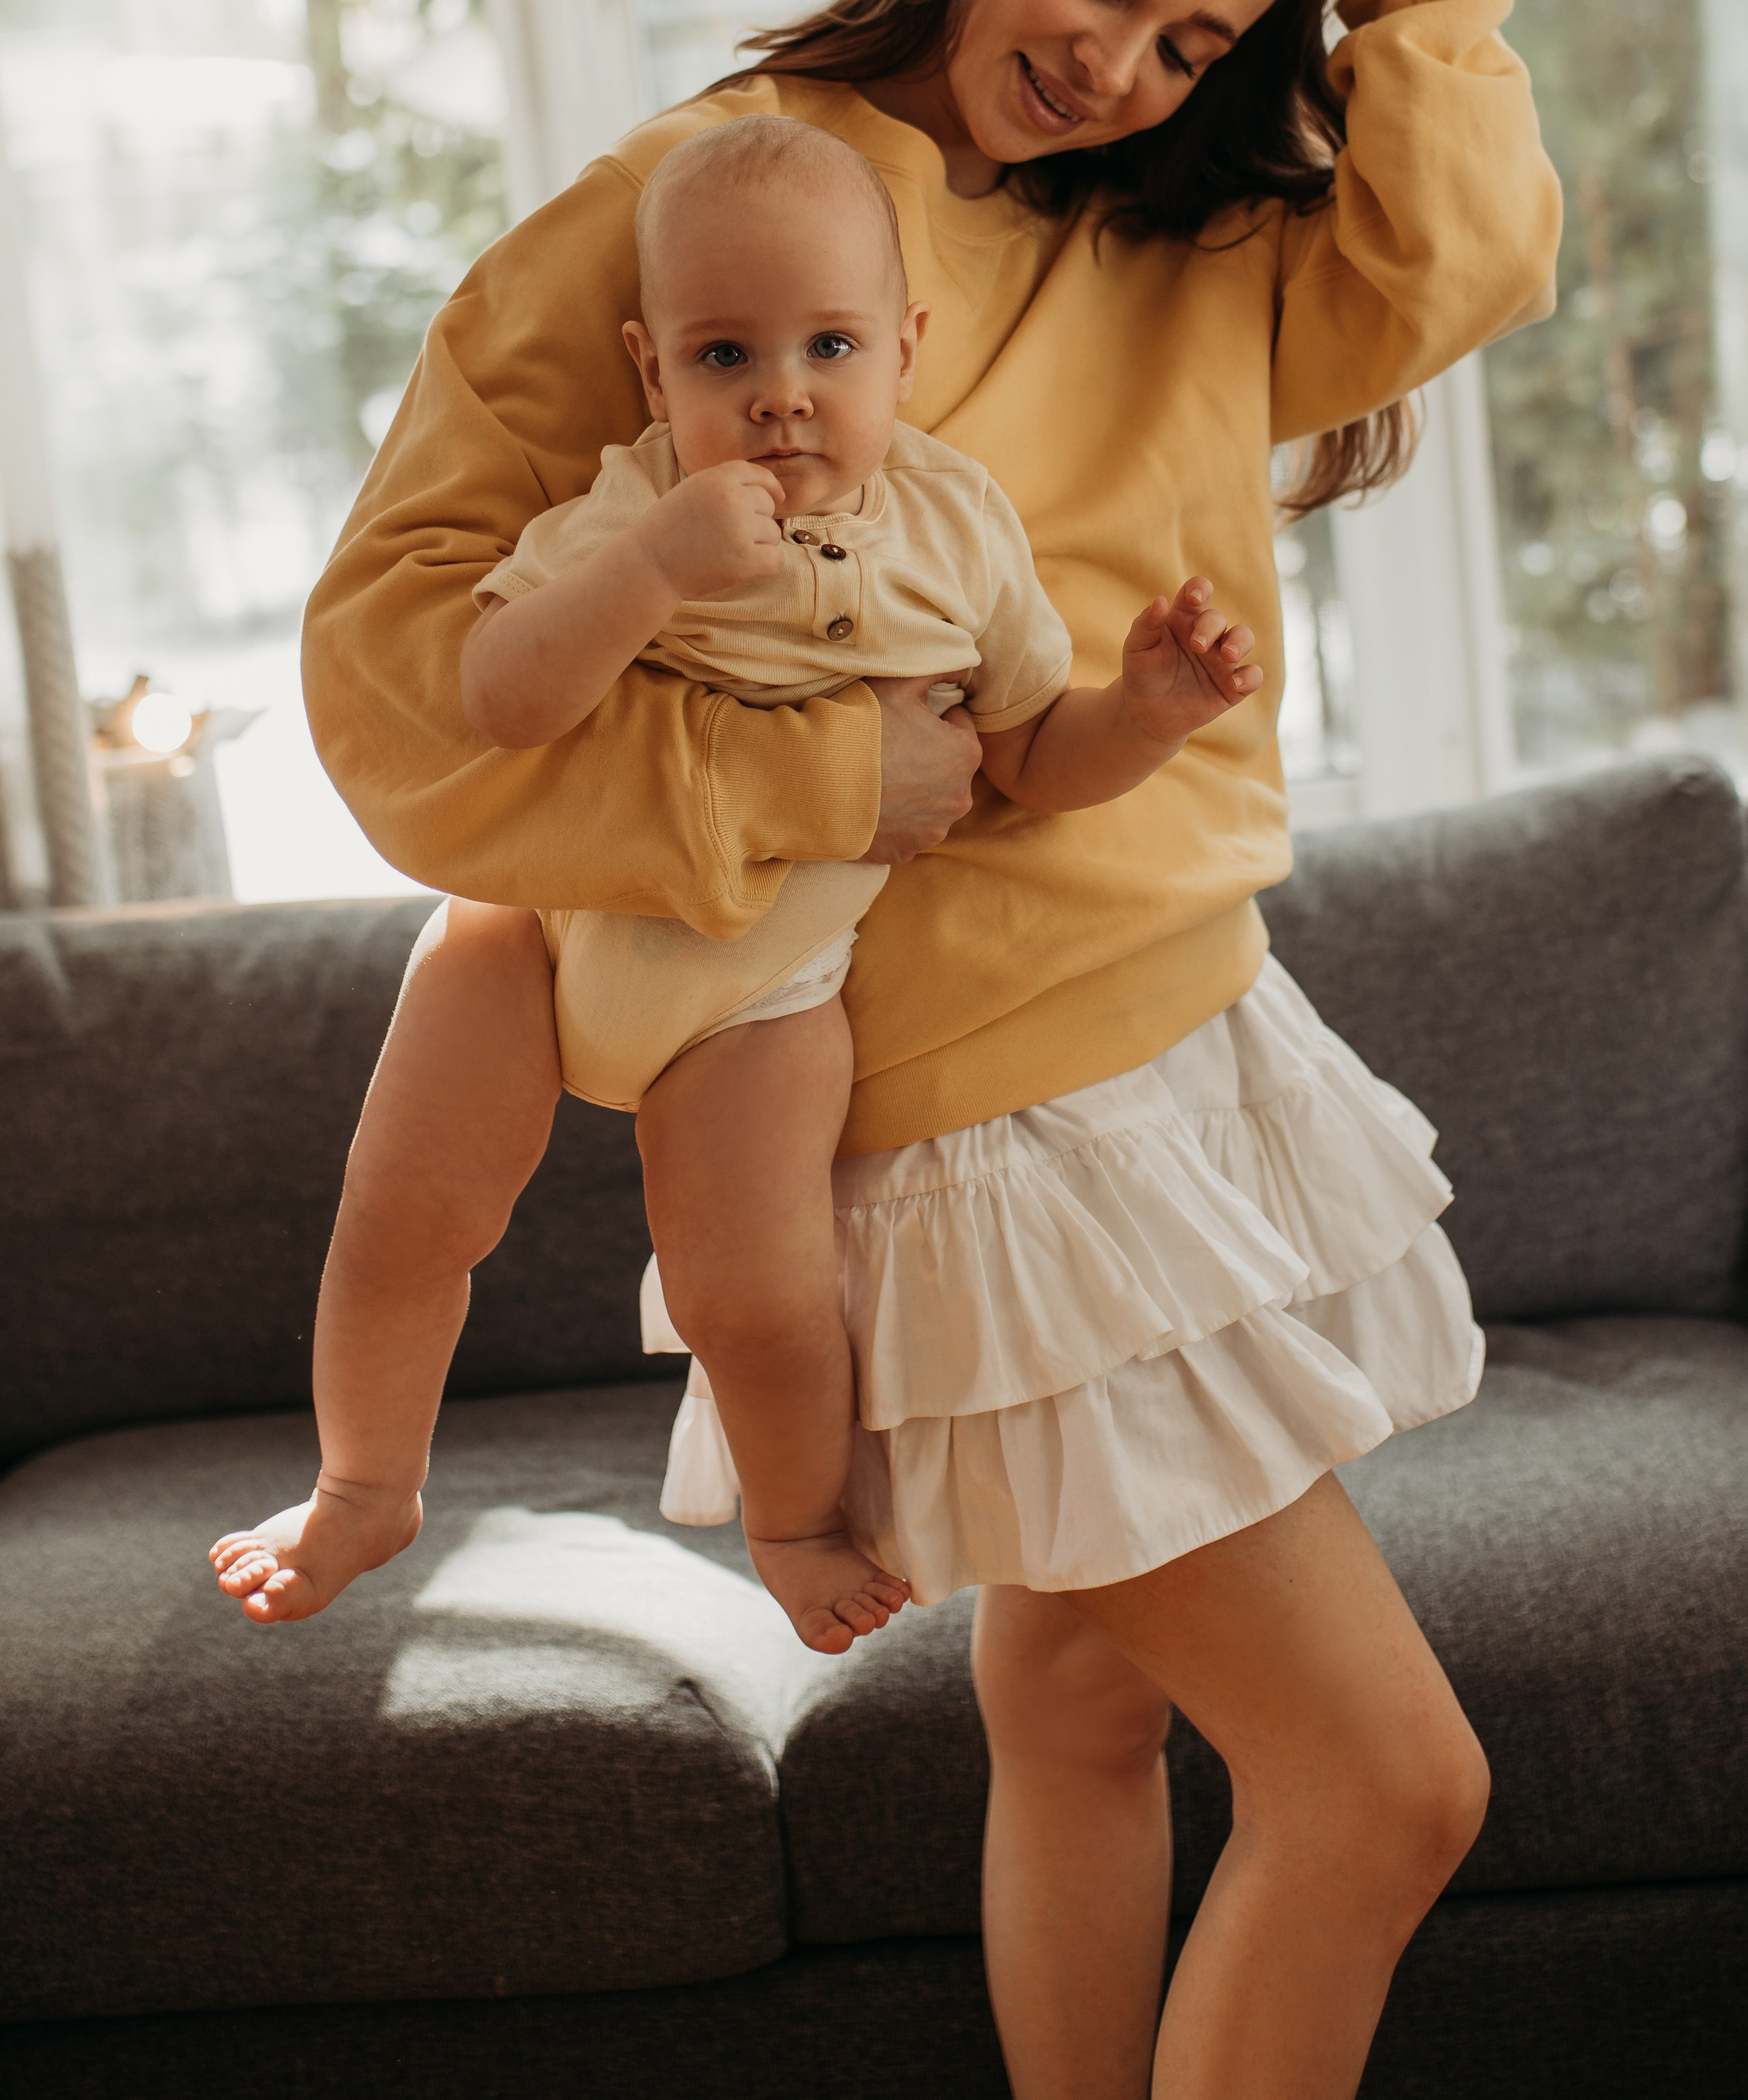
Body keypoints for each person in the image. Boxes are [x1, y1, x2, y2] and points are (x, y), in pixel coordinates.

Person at [220, 0, 1561, 2098]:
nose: (1120, 58)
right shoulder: (718, 212)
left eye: (1198, 33)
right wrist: (827, 772)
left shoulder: (1184, 225)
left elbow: (1460, 263)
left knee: (1076, 1713)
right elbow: (397, 686)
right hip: (973, 1119)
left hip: (1181, 1036)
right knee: (1390, 1787)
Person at [213, 110, 1264, 1656]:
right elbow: (498, 696)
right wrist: (647, 571)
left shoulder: (954, 527)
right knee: (399, 1216)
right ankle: (363, 1481)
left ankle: (791, 1521)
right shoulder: (630, 503)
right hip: (536, 935)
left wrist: (1150, 711)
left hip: (757, 993)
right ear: (653, 373)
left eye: (828, 346)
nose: (780, 397)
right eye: (723, 360)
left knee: (757, 1298)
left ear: (901, 351)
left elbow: (1026, 755)